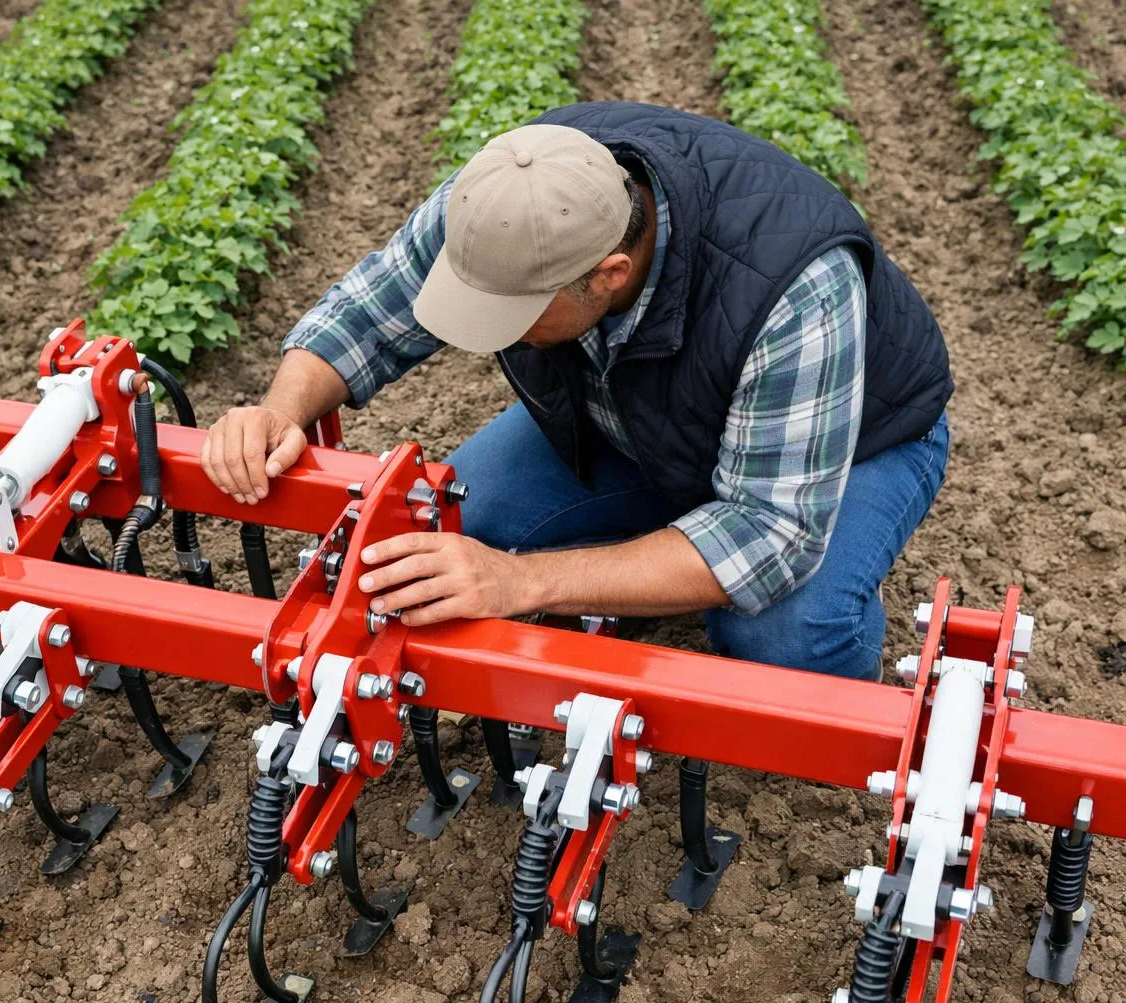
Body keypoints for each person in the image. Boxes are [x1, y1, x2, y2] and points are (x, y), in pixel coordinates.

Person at [199, 101, 953, 681]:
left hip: (853, 446)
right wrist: (281, 406)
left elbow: (767, 537)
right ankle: (652, 560)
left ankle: (838, 611)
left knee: (781, 640)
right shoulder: (514, 199)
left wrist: (521, 582)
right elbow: (368, 310)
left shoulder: (793, 289)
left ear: (608, 276)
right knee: (465, 521)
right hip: (631, 419)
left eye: (515, 315)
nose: (491, 330)